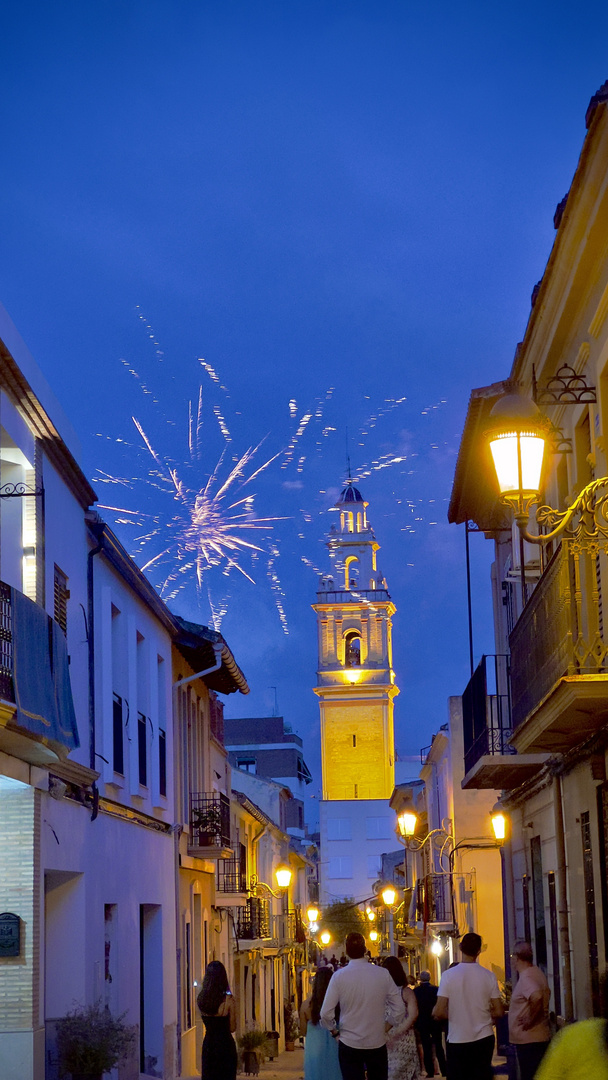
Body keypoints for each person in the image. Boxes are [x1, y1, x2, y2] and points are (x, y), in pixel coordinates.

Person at [320, 931, 405, 1080]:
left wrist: (334, 1032)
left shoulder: (339, 977)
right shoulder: (383, 974)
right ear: (365, 949)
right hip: (376, 1042)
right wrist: (386, 1027)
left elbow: (326, 1013)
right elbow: (399, 1009)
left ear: (346, 951)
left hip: (348, 1042)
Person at [433, 932, 504, 1080]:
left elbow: (439, 1011)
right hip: (484, 1037)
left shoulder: (448, 976)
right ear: (479, 951)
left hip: (457, 1039)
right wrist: (482, 1014)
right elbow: (499, 1011)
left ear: (460, 948)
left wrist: (455, 1014)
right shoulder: (489, 976)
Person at [508, 942, 551, 1080]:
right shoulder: (536, 972)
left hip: (529, 1040)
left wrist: (530, 1019)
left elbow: (536, 996)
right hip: (538, 1037)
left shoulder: (526, 977)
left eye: (512, 955)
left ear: (517, 958)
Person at [382, 956, 421, 1080]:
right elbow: (413, 1015)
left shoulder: (382, 993)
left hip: (386, 1037)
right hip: (404, 1038)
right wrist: (399, 1031)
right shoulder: (406, 992)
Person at [197, 960, 237, 1080]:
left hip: (209, 1045)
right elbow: (232, 1028)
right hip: (225, 1047)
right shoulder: (228, 1001)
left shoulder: (201, 1000)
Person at [300, 967, 343, 1080]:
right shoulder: (340, 1005)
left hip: (314, 1052)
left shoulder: (306, 1006)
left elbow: (303, 1031)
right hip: (337, 1051)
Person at [414, 970, 447, 1079]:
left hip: (422, 1022)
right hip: (435, 1020)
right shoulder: (436, 990)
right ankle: (444, 1069)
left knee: (426, 1046)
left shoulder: (416, 991)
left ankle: (430, 1071)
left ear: (420, 978)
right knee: (438, 1046)